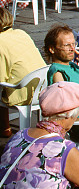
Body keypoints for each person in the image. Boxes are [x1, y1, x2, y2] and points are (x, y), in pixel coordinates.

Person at [0, 9, 45, 138]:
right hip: (41, 87)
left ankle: (5, 128)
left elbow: (2, 78)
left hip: (22, 93)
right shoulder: (21, 33)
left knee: (2, 88)